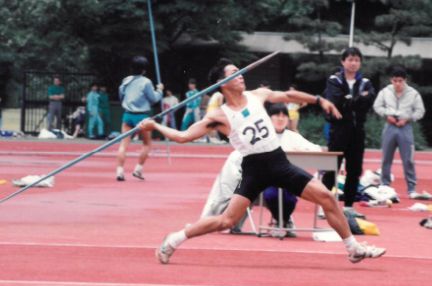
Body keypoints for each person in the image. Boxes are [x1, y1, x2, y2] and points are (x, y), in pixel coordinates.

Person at [139, 58, 386, 265]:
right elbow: (183, 137)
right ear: (222, 84)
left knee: (327, 197)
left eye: (241, 72)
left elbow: (288, 94)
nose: (242, 76)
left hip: (279, 162)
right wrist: (154, 125)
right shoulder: (219, 115)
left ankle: (352, 248)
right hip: (254, 169)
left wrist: (319, 100)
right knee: (227, 220)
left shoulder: (257, 95)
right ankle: (174, 239)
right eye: (235, 74)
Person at [201, 103, 322, 237]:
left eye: (284, 115)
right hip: (258, 184)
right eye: (276, 115)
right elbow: (238, 157)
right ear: (268, 119)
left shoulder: (293, 136)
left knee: (289, 195)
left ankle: (283, 221)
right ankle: (213, 221)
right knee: (268, 192)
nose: (281, 119)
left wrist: (300, 151)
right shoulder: (259, 137)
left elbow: (317, 150)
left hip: (287, 184)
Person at [321, 47, 376, 219]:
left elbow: (368, 102)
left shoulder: (366, 82)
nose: (353, 63)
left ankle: (349, 207)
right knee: (332, 168)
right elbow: (335, 101)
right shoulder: (334, 80)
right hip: (338, 130)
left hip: (357, 131)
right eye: (350, 59)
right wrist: (358, 99)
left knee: (355, 169)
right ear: (343, 61)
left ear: (360, 63)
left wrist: (349, 100)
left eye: (357, 60)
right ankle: (325, 206)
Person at [373, 66, 425, 198]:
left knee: (408, 159)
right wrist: (386, 115)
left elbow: (420, 111)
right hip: (390, 125)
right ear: (391, 80)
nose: (397, 84)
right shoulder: (385, 92)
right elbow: (377, 106)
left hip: (405, 126)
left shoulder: (413, 93)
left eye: (400, 81)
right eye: (395, 81)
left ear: (405, 80)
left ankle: (411, 189)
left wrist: (408, 119)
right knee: (386, 158)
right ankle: (385, 185)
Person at [116, 55, 164, 181]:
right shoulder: (146, 82)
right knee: (147, 143)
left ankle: (120, 171)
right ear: (144, 70)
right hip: (142, 116)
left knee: (123, 144)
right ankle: (138, 169)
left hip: (128, 114)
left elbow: (121, 95)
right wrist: (160, 91)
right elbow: (154, 99)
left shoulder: (126, 80)